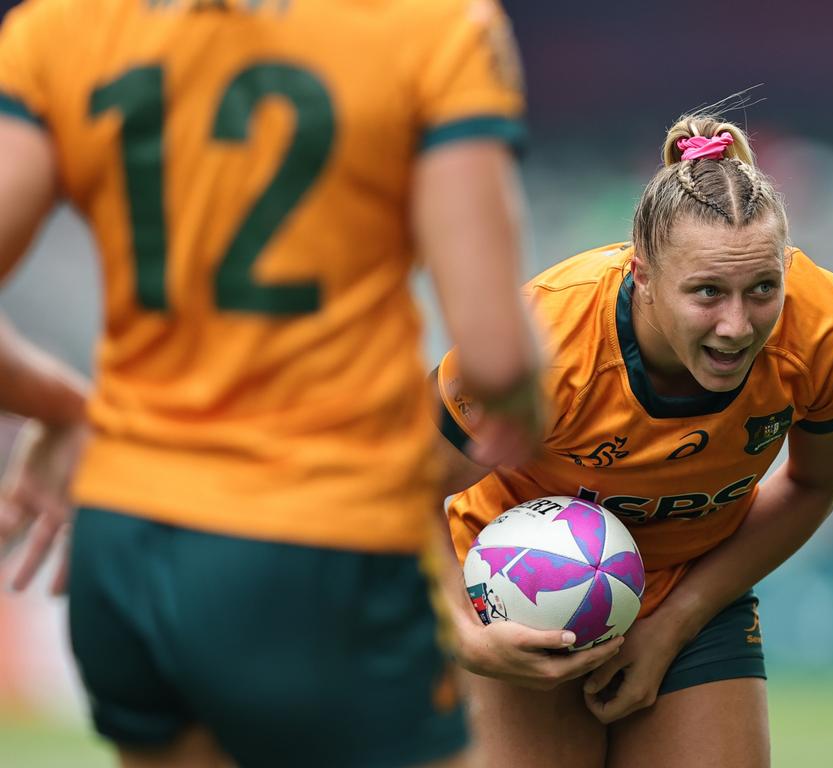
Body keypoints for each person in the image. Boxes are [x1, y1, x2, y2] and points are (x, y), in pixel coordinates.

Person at [0, 0, 560, 766]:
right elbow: (497, 357)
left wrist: (61, 406)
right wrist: (529, 401)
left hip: (124, 538)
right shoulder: (434, 26)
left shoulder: (59, 29)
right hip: (322, 537)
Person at [433, 111, 833, 767]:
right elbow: (397, 487)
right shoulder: (544, 343)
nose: (737, 325)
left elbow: (814, 484)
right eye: (706, 293)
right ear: (641, 275)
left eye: (763, 288)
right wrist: (467, 636)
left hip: (692, 587)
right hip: (516, 598)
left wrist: (675, 622)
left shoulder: (828, 332)